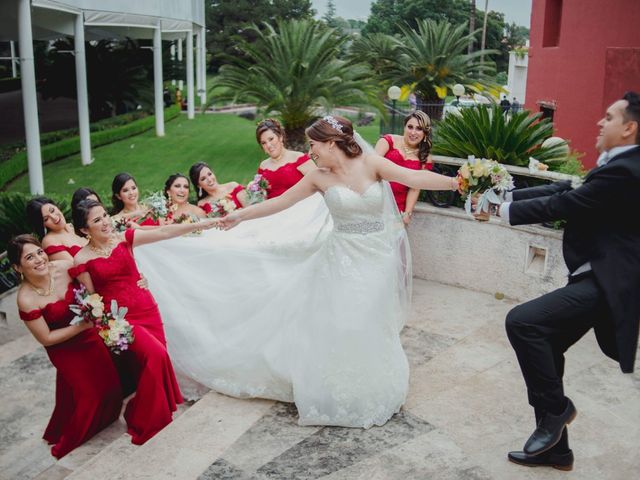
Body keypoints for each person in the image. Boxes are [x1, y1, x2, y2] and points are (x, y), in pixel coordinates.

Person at [135, 115, 459, 428]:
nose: (310, 151)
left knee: (371, 317)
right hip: (342, 257)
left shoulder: (372, 164)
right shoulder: (319, 176)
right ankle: (340, 385)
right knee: (347, 319)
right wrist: (241, 216)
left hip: (377, 256)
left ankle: (372, 380)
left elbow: (414, 178)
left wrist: (457, 181)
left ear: (332, 143)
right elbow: (280, 203)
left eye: (314, 145)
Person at [485, 92, 640, 471]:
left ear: (630, 128)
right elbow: (565, 191)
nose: (600, 123)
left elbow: (565, 206)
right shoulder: (618, 164)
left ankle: (557, 412)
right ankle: (557, 451)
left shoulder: (628, 169)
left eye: (609, 117)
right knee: (547, 344)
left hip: (608, 283)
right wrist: (505, 195)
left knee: (522, 322)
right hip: (594, 276)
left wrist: (502, 210)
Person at [69, 199, 218, 445]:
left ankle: (140, 408)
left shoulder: (124, 238)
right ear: (84, 230)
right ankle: (147, 416)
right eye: (97, 220)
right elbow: (91, 298)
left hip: (147, 307)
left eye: (105, 215)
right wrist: (108, 327)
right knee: (157, 356)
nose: (106, 222)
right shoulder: (81, 259)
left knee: (159, 356)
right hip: (121, 320)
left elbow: (164, 231)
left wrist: (205, 223)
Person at [10, 235, 122, 458]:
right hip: (64, 349)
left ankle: (104, 422)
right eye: (29, 257)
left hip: (90, 337)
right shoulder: (26, 299)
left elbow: (95, 271)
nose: (39, 259)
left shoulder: (63, 265)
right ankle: (71, 440)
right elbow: (47, 338)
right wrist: (83, 326)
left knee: (111, 387)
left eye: (40, 252)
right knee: (91, 395)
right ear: (17, 267)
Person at [374, 111, 434, 224]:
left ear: (425, 132)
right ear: (404, 127)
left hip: (397, 207)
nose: (413, 132)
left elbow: (415, 187)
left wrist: (407, 212)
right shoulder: (388, 141)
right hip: (376, 200)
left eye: (419, 128)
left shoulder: (425, 157)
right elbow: (371, 169)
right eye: (410, 127)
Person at [255, 118, 316, 198]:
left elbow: (319, 183)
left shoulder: (299, 158)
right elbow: (260, 195)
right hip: (272, 209)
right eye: (264, 143)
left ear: (280, 137)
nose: (268, 145)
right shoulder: (263, 166)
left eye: (271, 139)